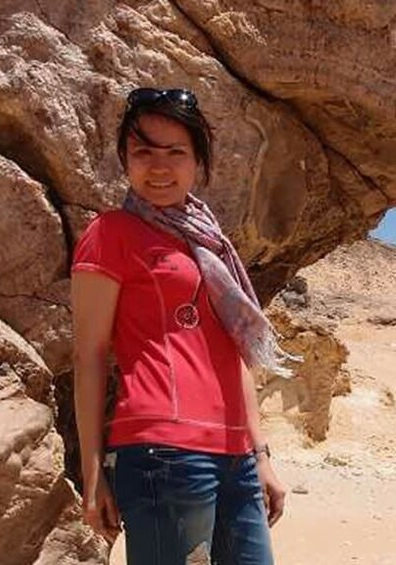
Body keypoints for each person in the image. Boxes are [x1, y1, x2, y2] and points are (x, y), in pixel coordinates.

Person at [71, 87, 298, 565]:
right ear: (124, 160)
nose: (159, 167)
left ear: (199, 162)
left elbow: (233, 351)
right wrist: (92, 473)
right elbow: (89, 355)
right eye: (143, 152)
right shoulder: (110, 234)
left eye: (176, 152)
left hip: (234, 454)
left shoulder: (210, 244)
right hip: (162, 453)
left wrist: (261, 455)